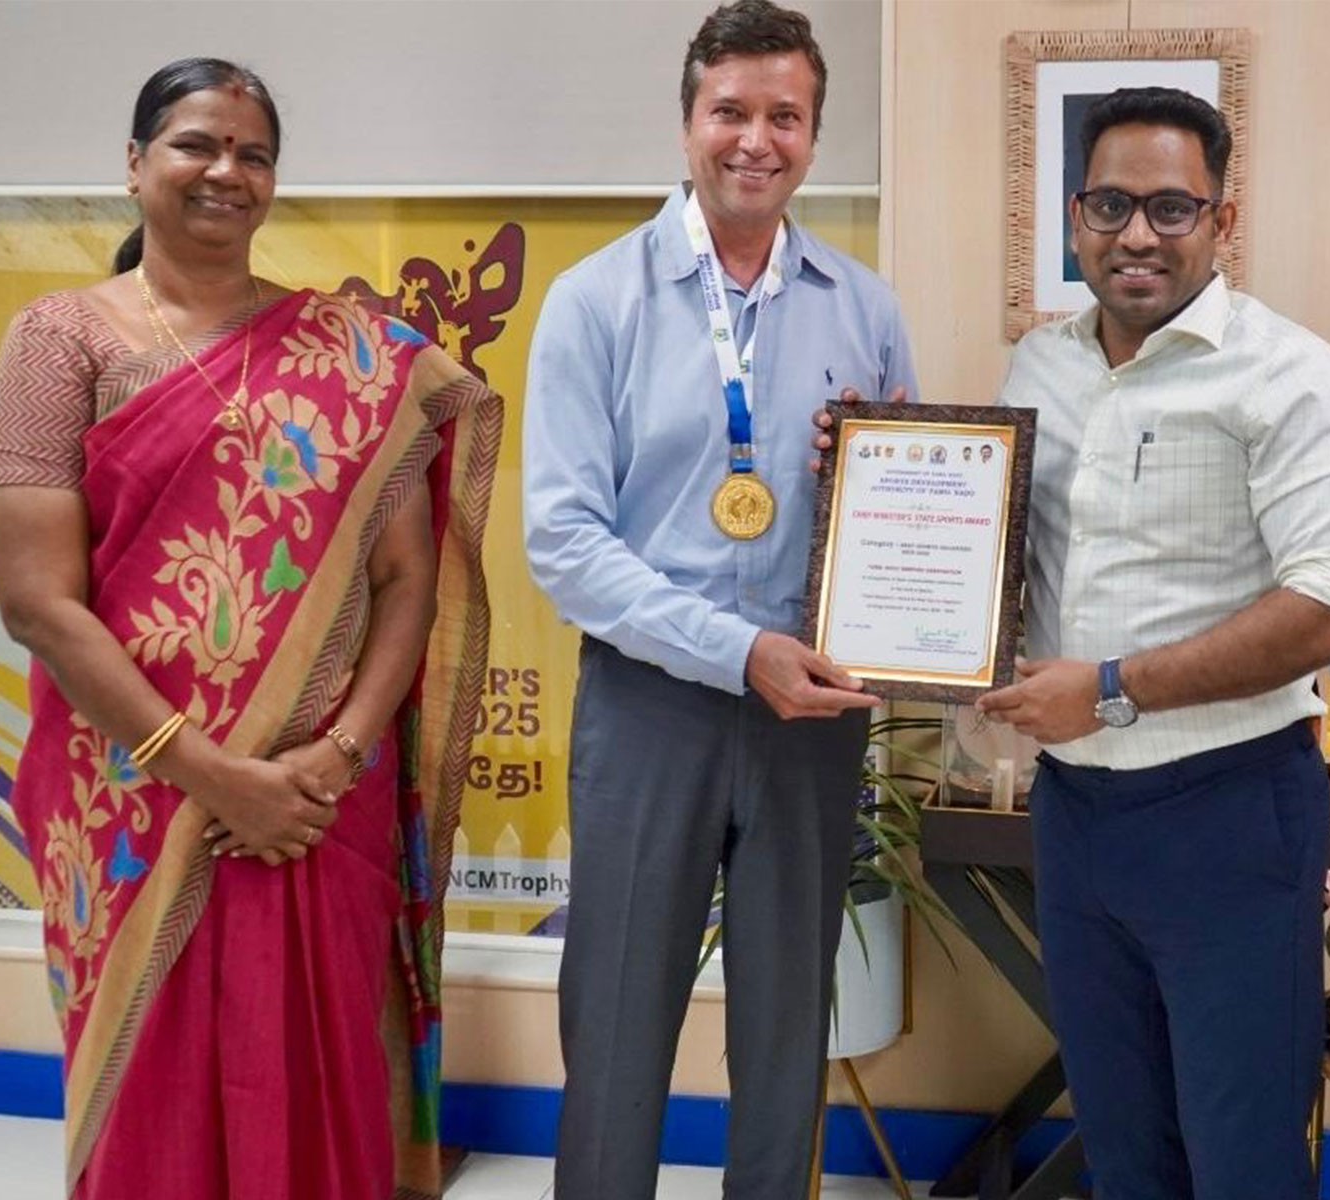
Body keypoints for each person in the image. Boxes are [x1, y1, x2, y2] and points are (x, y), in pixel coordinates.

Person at [0, 58, 501, 1200]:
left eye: (252, 154)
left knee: (317, 1074)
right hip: (134, 794)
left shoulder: (359, 355)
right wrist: (212, 775)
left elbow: (406, 579)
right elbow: (36, 602)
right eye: (195, 144)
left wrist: (337, 755)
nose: (225, 170)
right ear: (135, 164)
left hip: (317, 804)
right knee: (151, 1097)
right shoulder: (58, 342)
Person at [522, 3, 916, 1196]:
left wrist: (867, 481)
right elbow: (563, 542)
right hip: (653, 706)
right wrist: (737, 651)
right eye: (729, 112)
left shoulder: (862, 307)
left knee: (789, 1025)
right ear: (687, 122)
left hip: (812, 717)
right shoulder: (597, 300)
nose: (756, 140)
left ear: (813, 135)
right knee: (618, 1017)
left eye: (784, 116)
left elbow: (904, 510)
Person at [975, 88, 1330, 1199]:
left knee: (1241, 1158)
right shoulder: (1040, 367)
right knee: (1124, 1152)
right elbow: (1001, 552)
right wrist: (877, 475)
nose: (1137, 234)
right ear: (1075, 218)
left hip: (1229, 815)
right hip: (1075, 816)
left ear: (1221, 219)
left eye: (1171, 206)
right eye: (1111, 205)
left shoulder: (1290, 373)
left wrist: (1109, 690)